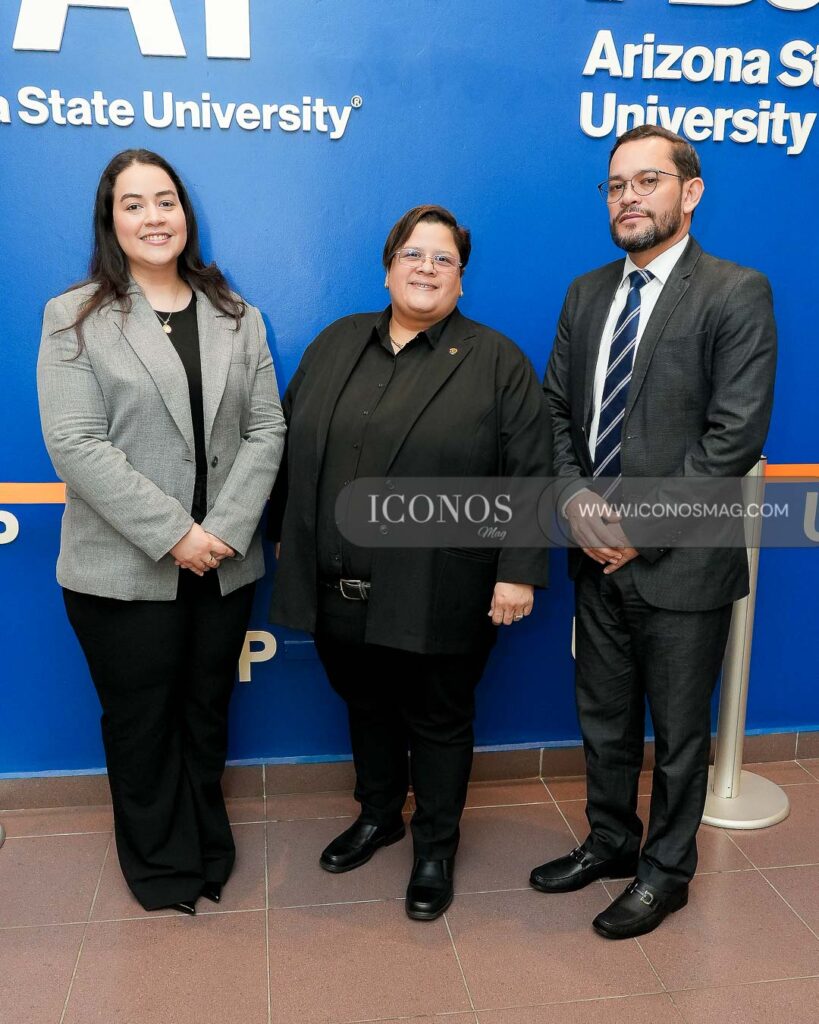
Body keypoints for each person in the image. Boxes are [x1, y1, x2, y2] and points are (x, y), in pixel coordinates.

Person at [268, 204, 551, 920]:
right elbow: (286, 443)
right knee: (365, 704)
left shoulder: (496, 361)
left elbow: (529, 470)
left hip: (442, 586)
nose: (425, 268)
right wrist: (279, 533)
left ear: (461, 279)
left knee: (438, 717)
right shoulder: (336, 342)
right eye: (412, 255)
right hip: (337, 582)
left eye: (442, 259)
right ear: (388, 266)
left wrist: (517, 568)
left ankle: (434, 847)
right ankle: (378, 813)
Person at [534, 125, 776, 938]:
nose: (628, 197)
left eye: (646, 181)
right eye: (614, 185)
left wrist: (635, 527)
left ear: (689, 191)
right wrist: (572, 503)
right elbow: (556, 412)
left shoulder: (734, 291)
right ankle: (609, 841)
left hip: (678, 562)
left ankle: (664, 872)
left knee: (677, 737)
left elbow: (731, 437)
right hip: (591, 556)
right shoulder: (584, 292)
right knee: (602, 720)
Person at [37, 149, 285, 915]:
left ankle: (209, 845)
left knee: (205, 714)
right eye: (134, 204)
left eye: (166, 201)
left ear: (186, 214)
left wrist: (225, 531)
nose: (154, 217)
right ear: (111, 221)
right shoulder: (74, 315)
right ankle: (161, 867)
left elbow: (267, 427)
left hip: (223, 565)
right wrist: (178, 535)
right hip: (124, 569)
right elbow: (77, 445)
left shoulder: (236, 315)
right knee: (142, 725)